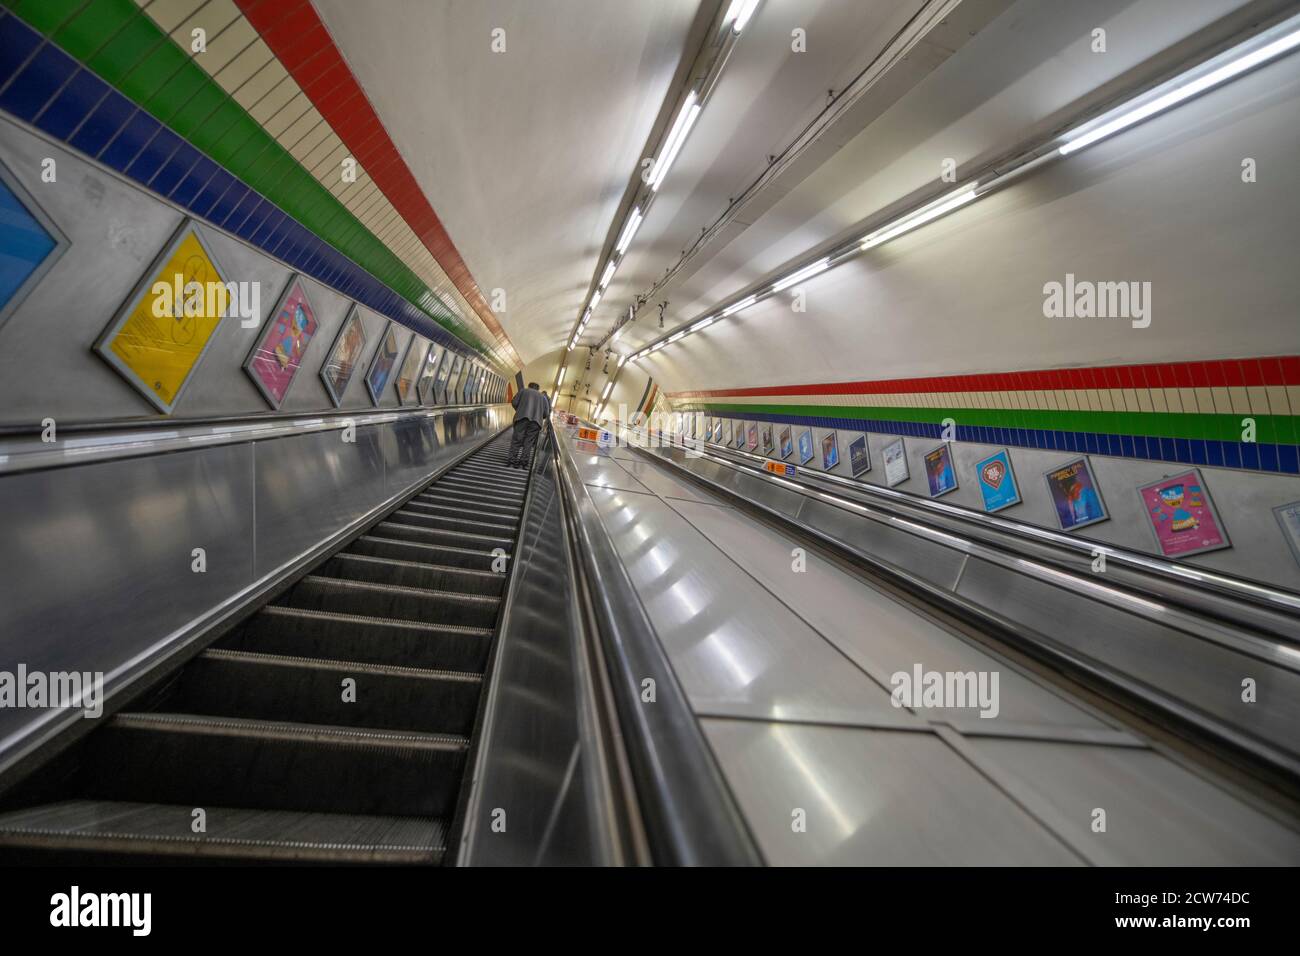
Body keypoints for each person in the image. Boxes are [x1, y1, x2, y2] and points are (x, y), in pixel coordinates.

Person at [507, 382, 551, 469]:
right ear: (538, 388)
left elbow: (514, 402)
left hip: (521, 418)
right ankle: (523, 463)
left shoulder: (523, 391)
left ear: (529, 386)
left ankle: (511, 462)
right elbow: (546, 413)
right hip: (536, 422)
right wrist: (539, 415)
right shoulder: (543, 397)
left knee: (517, 440)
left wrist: (520, 409)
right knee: (529, 442)